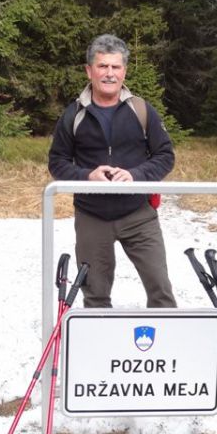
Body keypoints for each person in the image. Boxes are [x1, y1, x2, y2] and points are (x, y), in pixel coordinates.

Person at [48, 34, 177, 309]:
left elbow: (165, 155)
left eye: (115, 67)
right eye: (102, 66)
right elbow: (57, 162)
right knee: (94, 297)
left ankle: (166, 349)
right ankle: (101, 350)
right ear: (89, 70)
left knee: (161, 292)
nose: (109, 74)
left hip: (138, 215)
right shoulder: (73, 115)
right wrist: (86, 176)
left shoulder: (142, 110)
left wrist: (136, 175)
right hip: (91, 216)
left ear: (124, 71)